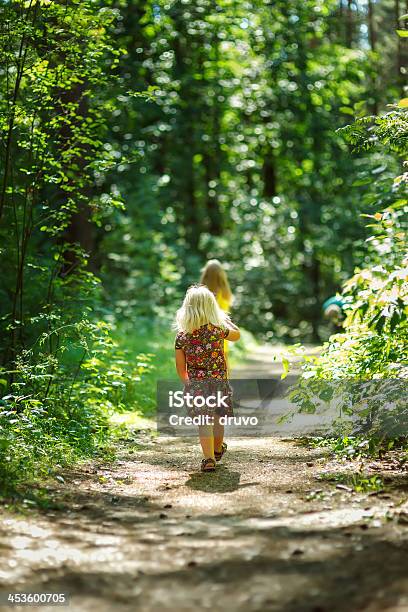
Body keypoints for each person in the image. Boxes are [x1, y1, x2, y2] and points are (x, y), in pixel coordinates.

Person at [174, 285, 240, 472]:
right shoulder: (218, 330)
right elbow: (237, 335)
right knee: (219, 418)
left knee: (204, 421)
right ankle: (218, 449)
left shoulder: (182, 336)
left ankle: (209, 459)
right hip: (219, 382)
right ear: (212, 308)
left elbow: (180, 368)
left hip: (197, 385)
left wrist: (188, 385)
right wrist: (224, 318)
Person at [200, 259, 233, 360]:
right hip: (223, 329)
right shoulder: (225, 291)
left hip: (205, 330)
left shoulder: (202, 293)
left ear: (206, 274)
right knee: (224, 361)